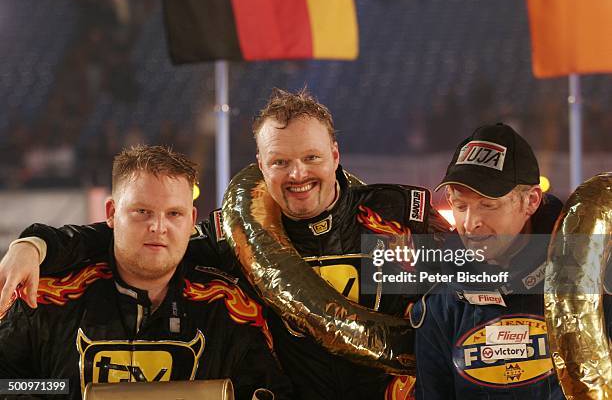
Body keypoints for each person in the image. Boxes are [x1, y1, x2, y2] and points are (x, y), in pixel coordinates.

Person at [0, 89, 449, 399]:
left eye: (311, 157)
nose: (297, 174)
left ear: (335, 154)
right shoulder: (232, 237)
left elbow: (485, 272)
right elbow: (141, 248)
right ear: (260, 164)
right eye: (280, 161)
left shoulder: (397, 217)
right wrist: (36, 243)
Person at [0, 145, 292, 400]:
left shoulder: (229, 307)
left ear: (192, 220)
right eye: (142, 212)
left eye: (174, 213)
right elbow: (8, 383)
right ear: (112, 213)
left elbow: (268, 391)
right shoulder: (47, 296)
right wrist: (64, 392)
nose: (158, 227)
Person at [409, 123, 567, 399]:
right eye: (461, 206)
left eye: (488, 205)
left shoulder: (588, 279)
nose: (471, 224)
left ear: (530, 201)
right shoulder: (438, 305)